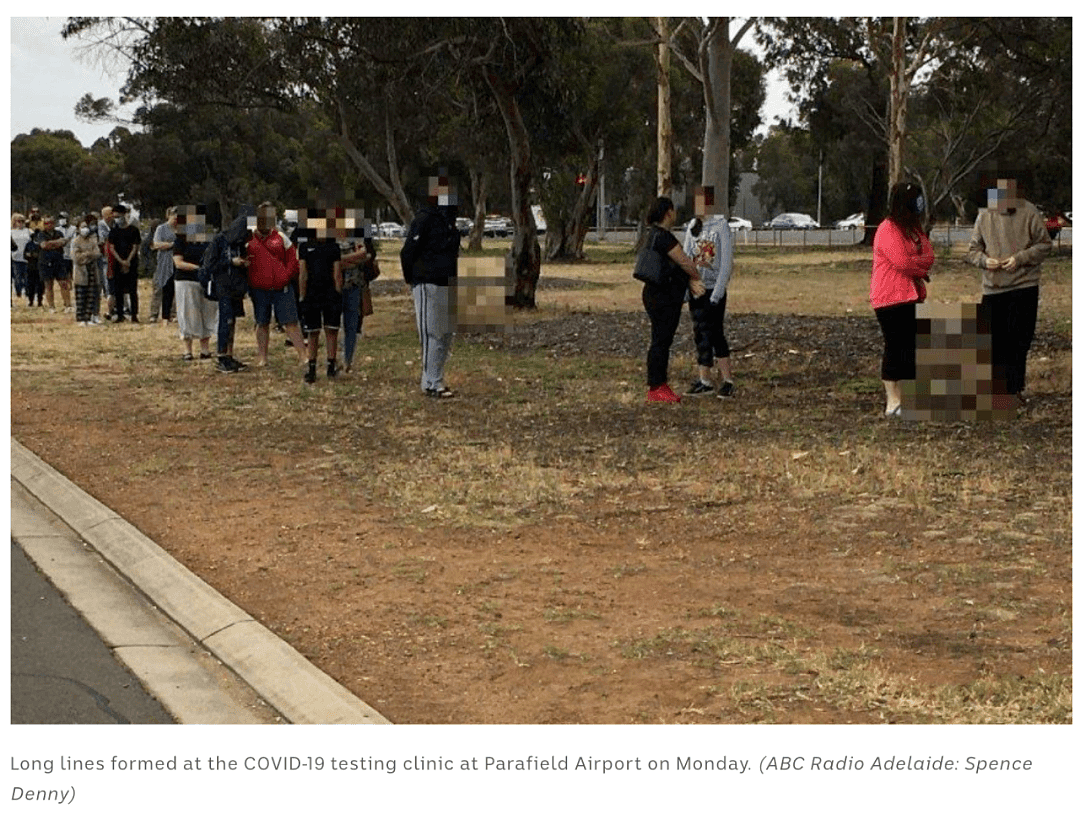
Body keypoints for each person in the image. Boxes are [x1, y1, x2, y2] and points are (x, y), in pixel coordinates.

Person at [964, 176, 1052, 406]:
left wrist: (1020, 258)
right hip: (994, 289)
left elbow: (1044, 245)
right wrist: (985, 261)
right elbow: (972, 251)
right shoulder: (984, 215)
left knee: (1019, 341)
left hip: (1024, 286)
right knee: (992, 342)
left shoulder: (1029, 212)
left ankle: (1014, 389)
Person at [870, 181, 935, 417]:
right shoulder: (887, 229)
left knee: (911, 347)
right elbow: (902, 262)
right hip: (889, 299)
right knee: (895, 346)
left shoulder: (914, 228)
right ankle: (892, 400)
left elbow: (928, 255)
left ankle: (908, 397)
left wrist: (918, 265)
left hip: (912, 296)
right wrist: (919, 268)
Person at [640, 196, 706, 403]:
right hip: (664, 297)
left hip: (653, 294)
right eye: (674, 211)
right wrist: (695, 277)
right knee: (661, 341)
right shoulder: (664, 238)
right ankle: (657, 386)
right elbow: (684, 262)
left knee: (660, 340)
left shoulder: (651, 235)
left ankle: (657, 385)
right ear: (668, 212)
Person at [400, 173, 461, 398]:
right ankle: (431, 382)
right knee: (431, 332)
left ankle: (437, 377)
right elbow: (408, 251)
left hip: (447, 281)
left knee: (445, 333)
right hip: (427, 282)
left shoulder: (449, 220)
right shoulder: (424, 219)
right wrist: (412, 278)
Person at [682, 185, 735, 398]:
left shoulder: (721, 226)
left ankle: (727, 379)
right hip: (697, 288)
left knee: (715, 333)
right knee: (700, 333)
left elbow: (726, 262)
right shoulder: (692, 226)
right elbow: (686, 257)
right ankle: (704, 379)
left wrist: (717, 293)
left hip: (714, 289)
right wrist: (689, 286)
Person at [245, 202, 307, 368]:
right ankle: (263, 357)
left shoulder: (280, 237)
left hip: (282, 287)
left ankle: (303, 355)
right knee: (262, 322)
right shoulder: (248, 238)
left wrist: (285, 276)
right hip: (259, 288)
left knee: (291, 322)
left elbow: (293, 259)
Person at [297, 216, 344, 383]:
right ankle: (312, 367)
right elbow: (303, 273)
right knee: (313, 332)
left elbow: (337, 273)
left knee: (331, 330)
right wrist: (302, 295)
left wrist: (338, 292)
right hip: (312, 294)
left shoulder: (333, 247)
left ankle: (331, 366)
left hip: (329, 293)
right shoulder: (305, 247)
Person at [171, 206, 218, 360]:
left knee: (207, 313)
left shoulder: (208, 238)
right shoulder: (180, 239)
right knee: (187, 314)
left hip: (205, 282)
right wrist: (199, 268)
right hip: (186, 280)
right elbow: (178, 262)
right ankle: (187, 351)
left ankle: (205, 350)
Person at [340, 232, 378, 374]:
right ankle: (332, 360)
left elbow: (366, 255)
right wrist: (354, 259)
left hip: (355, 285)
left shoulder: (358, 235)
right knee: (331, 326)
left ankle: (347, 361)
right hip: (333, 286)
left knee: (352, 325)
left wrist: (341, 261)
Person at [107, 204, 141, 322]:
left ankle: (134, 315)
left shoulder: (133, 230)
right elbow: (112, 248)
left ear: (124, 215)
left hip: (131, 263)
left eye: (118, 216)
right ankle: (120, 314)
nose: (116, 219)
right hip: (118, 264)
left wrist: (128, 261)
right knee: (118, 290)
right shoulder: (113, 231)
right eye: (114, 217)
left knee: (132, 290)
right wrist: (121, 261)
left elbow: (135, 246)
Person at [71, 214, 103, 326]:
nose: (85, 229)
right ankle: (80, 319)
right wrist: (88, 256)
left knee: (91, 294)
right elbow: (76, 257)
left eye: (86, 226)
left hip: (92, 270)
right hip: (81, 271)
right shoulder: (76, 241)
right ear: (78, 229)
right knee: (81, 295)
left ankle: (88, 317)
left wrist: (86, 255)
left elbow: (97, 253)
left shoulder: (92, 240)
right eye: (82, 227)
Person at [34, 215, 68, 312]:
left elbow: (63, 242)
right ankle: (51, 307)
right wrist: (56, 243)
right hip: (45, 262)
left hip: (59, 260)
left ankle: (68, 305)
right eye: (46, 223)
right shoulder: (40, 234)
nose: (49, 225)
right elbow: (44, 245)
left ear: (54, 223)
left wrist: (50, 243)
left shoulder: (59, 232)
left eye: (51, 223)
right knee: (48, 285)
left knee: (64, 283)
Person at [150, 208, 177, 324]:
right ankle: (154, 314)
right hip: (163, 263)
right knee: (159, 289)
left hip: (176, 263)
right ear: (168, 216)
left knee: (174, 289)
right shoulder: (161, 228)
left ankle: (172, 314)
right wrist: (171, 245)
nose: (176, 219)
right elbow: (156, 244)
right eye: (174, 216)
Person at [57, 211, 76, 312]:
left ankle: (71, 295)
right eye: (60, 218)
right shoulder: (57, 230)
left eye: (63, 218)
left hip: (72, 256)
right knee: (64, 278)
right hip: (62, 257)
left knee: (72, 277)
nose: (62, 220)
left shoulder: (73, 229)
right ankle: (66, 299)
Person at [11, 213, 31, 300]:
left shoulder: (28, 231)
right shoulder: (10, 232)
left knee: (27, 278)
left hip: (27, 258)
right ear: (14, 222)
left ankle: (27, 293)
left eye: (23, 221)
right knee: (17, 278)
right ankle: (18, 293)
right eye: (19, 221)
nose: (21, 223)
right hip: (15, 258)